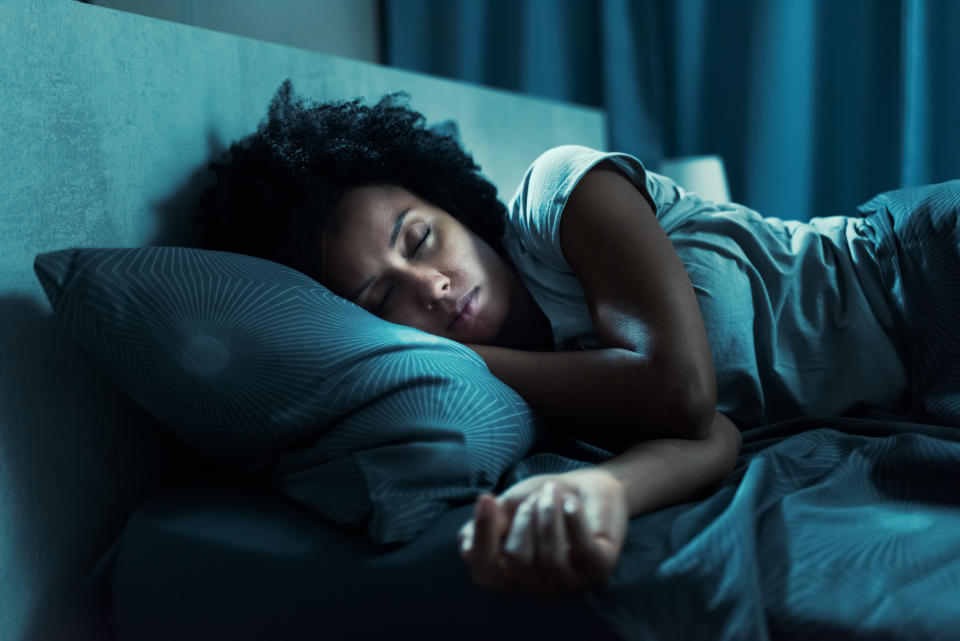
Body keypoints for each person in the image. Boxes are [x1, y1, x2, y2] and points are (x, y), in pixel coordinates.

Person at [193, 81, 960, 599]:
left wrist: (442, 350)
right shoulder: (536, 397)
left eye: (421, 239)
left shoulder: (561, 195)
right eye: (382, 297)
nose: (429, 285)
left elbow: (679, 389)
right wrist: (596, 490)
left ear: (455, 204)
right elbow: (708, 431)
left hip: (923, 270)